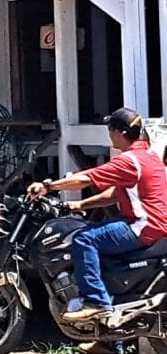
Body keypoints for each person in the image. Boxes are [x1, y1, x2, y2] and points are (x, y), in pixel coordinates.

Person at [28, 107, 167, 324]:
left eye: (110, 129)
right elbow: (116, 194)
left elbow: (88, 178)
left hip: (143, 226)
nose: (108, 134)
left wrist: (48, 186)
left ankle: (95, 302)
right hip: (152, 224)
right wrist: (79, 204)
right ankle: (109, 320)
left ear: (120, 132)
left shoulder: (129, 160)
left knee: (84, 239)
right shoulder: (148, 156)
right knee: (96, 240)